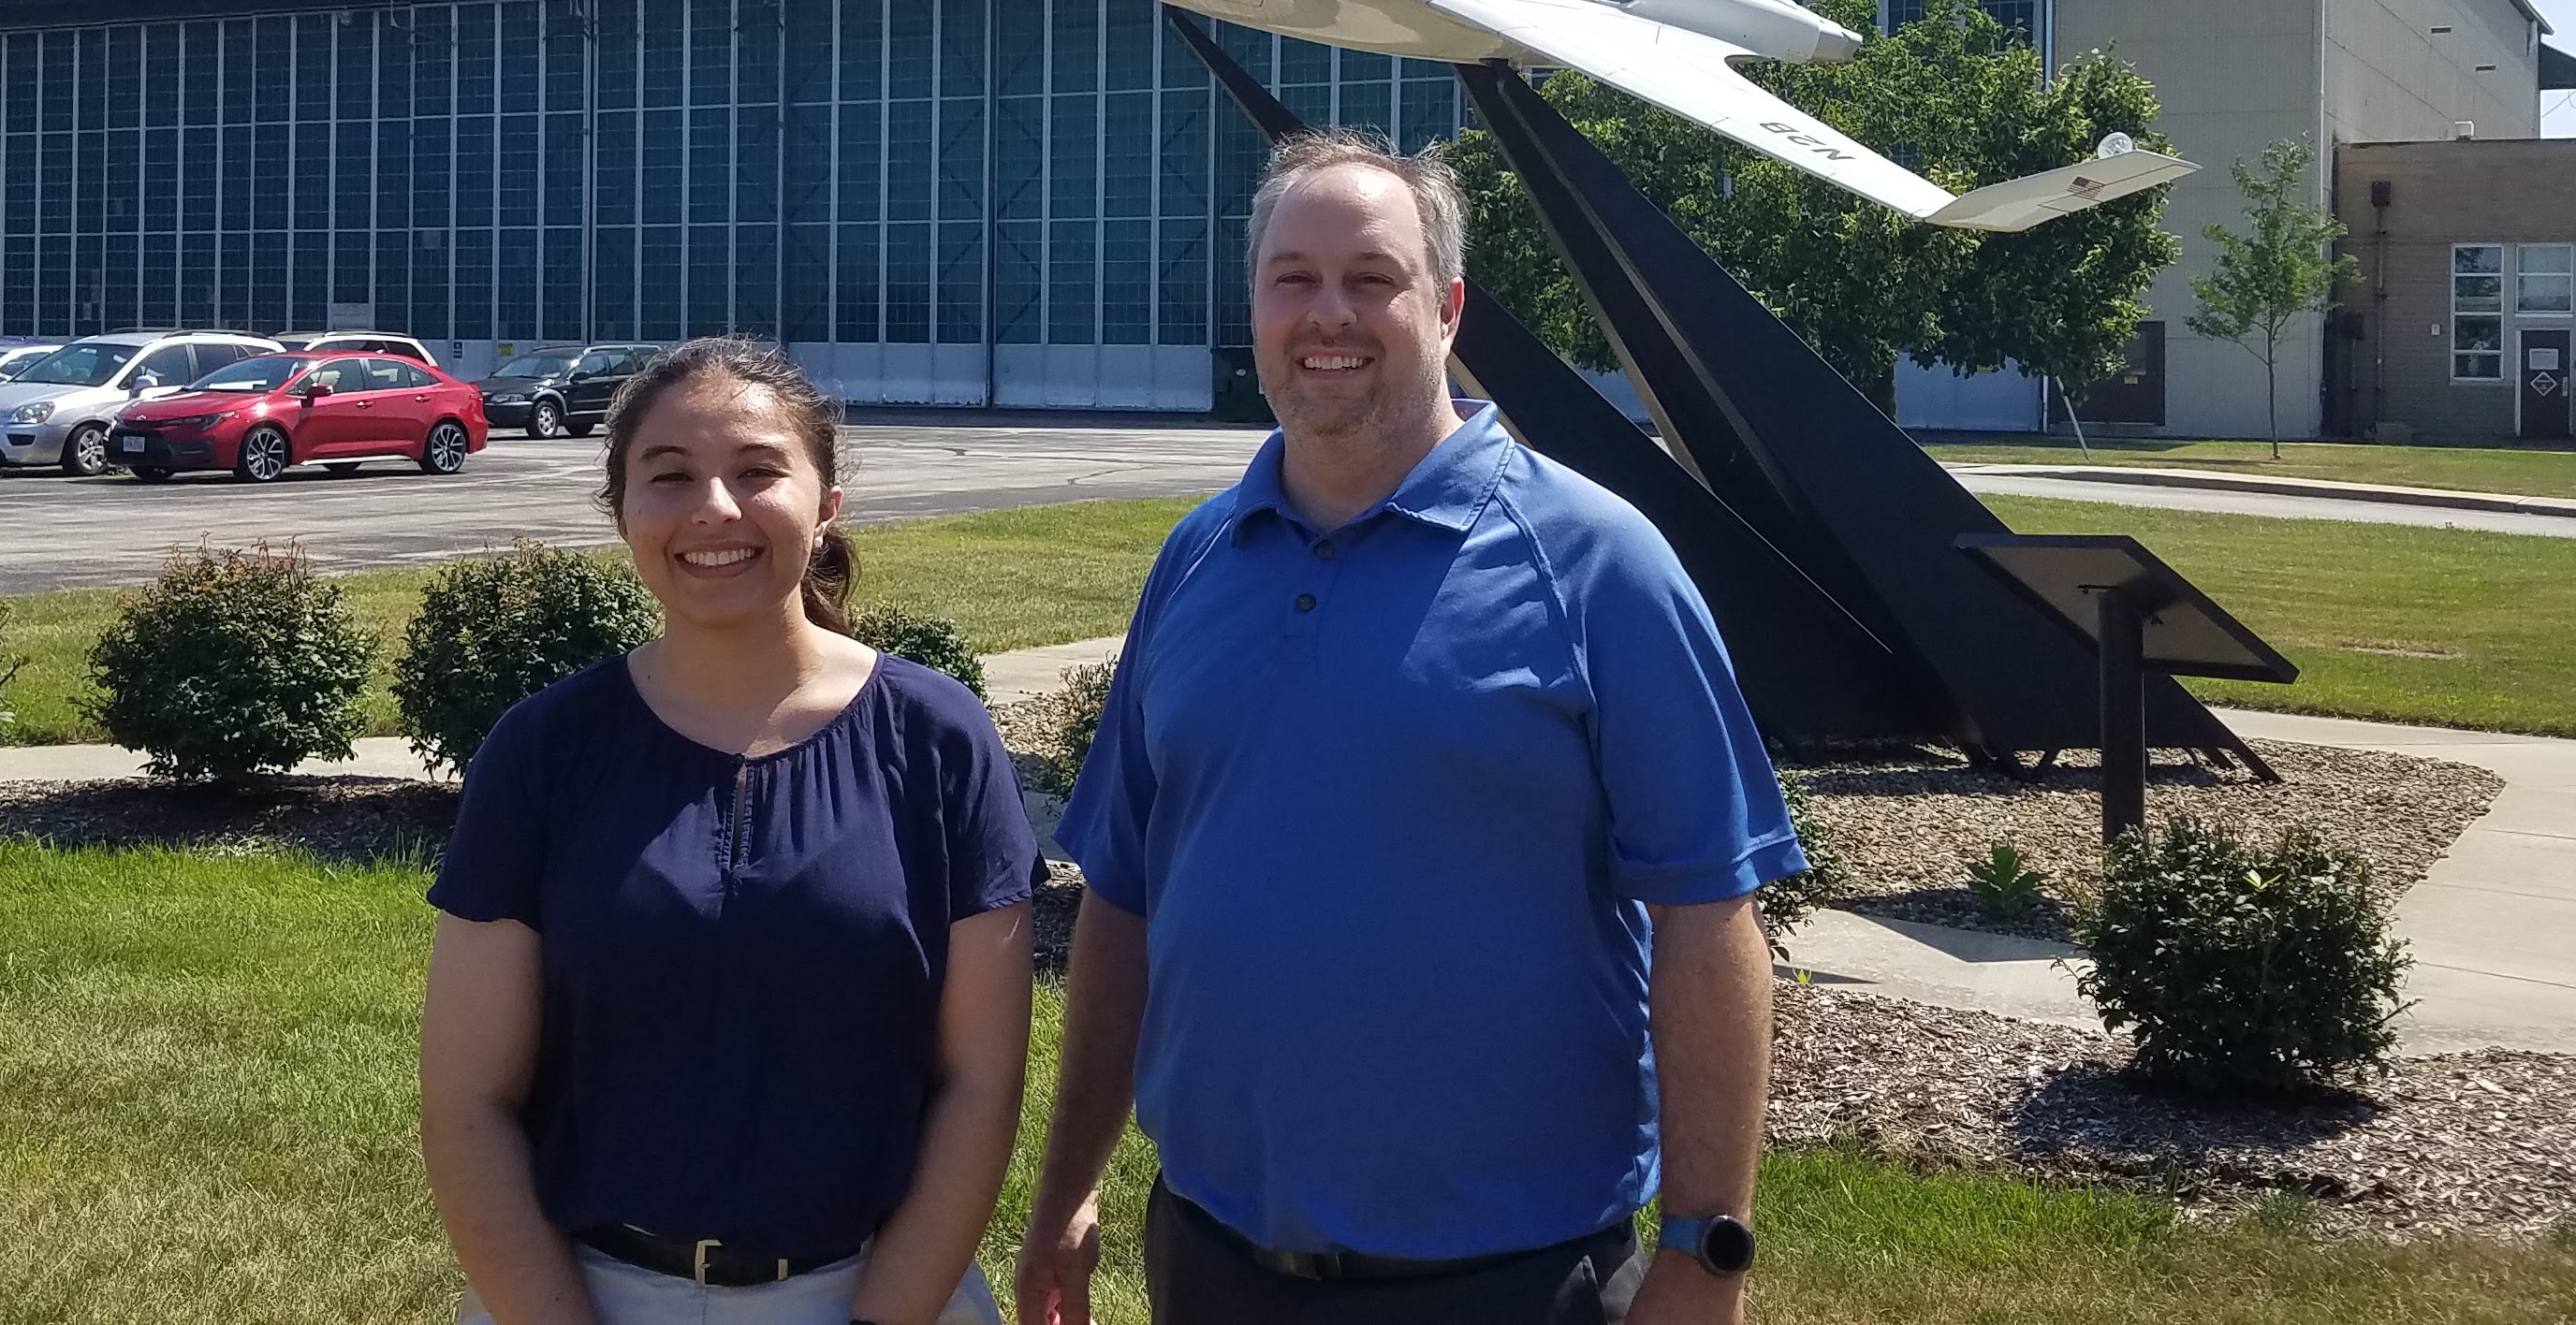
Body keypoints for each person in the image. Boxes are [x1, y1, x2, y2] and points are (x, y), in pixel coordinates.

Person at [1015, 132, 1802, 1325]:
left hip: (1508, 1284)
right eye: (1293, 279)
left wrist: (1703, 1256)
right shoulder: (1197, 558)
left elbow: (1709, 913)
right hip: (1211, 1262)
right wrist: (1066, 1190)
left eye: (1371, 278)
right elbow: (1126, 896)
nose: (1328, 313)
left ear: (1445, 308)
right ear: (1256, 308)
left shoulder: (1598, 562)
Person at [422, 338, 1040, 1325]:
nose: (714, 507)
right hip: (584, 1294)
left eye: (759, 472)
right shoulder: (543, 751)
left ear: (827, 501)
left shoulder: (938, 737)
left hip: (879, 1290)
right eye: (669, 476)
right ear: (622, 512)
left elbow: (981, 1082)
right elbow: (467, 1105)